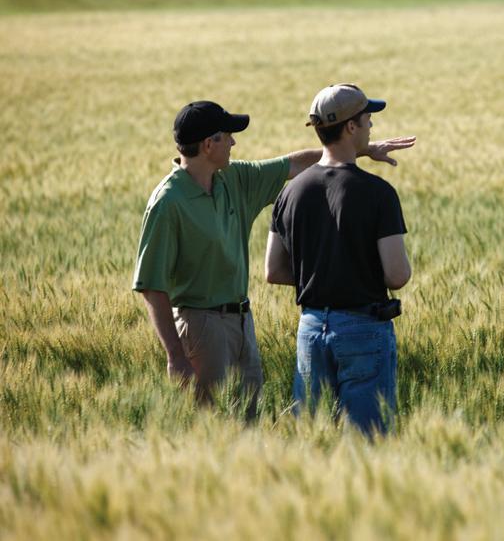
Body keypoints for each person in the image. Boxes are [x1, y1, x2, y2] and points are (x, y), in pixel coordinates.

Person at [133, 99, 414, 420]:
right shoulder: (168, 201)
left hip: (242, 321)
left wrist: (361, 149)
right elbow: (151, 285)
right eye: (229, 136)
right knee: (210, 426)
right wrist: (175, 356)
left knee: (248, 422)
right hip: (201, 326)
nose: (234, 143)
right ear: (209, 144)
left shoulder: (234, 178)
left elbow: (293, 165)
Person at [265, 83, 411, 436]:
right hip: (363, 327)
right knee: (367, 442)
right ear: (350, 126)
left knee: (313, 438)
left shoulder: (290, 192)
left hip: (311, 328)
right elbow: (397, 275)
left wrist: (323, 272)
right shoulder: (378, 193)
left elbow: (274, 270)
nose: (371, 125)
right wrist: (353, 271)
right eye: (367, 118)